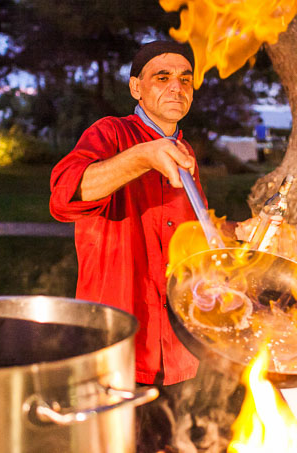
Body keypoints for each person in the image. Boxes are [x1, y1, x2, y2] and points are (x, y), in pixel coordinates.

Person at [49, 40, 210, 451]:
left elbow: (194, 239)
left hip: (178, 346)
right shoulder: (111, 133)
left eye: (185, 79)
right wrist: (141, 157)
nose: (177, 87)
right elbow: (65, 197)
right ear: (136, 88)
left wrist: (242, 233)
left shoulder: (185, 152)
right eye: (163, 77)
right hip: (119, 342)